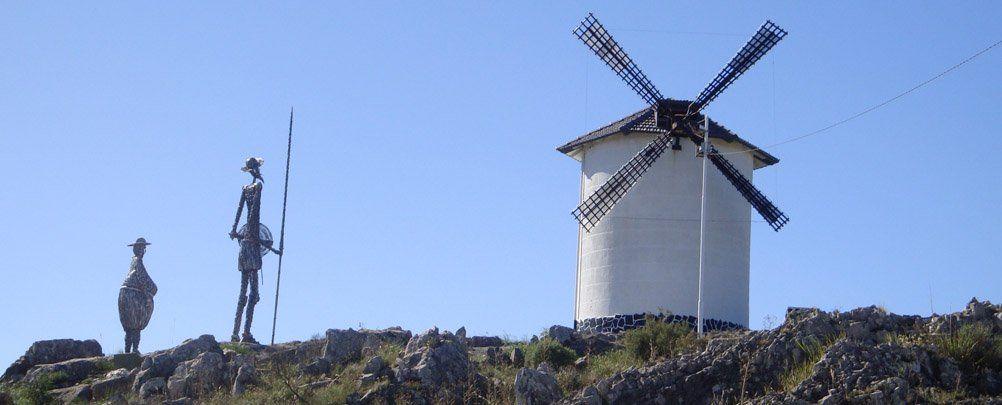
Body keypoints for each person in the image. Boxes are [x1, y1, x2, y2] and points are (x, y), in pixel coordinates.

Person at [229, 157, 281, 343]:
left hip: (243, 247)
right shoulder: (257, 186)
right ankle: (245, 333)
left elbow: (239, 210)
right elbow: (252, 214)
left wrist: (235, 229)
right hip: (251, 246)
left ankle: (236, 332)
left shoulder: (245, 189)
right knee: (254, 293)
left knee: (243, 292)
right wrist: (271, 248)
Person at [118, 237, 157, 354]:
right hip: (132, 294)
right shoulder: (138, 262)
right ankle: (133, 350)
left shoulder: (134, 261)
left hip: (126, 293)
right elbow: (142, 277)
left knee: (130, 326)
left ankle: (128, 351)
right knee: (136, 323)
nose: (143, 250)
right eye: (142, 248)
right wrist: (152, 290)